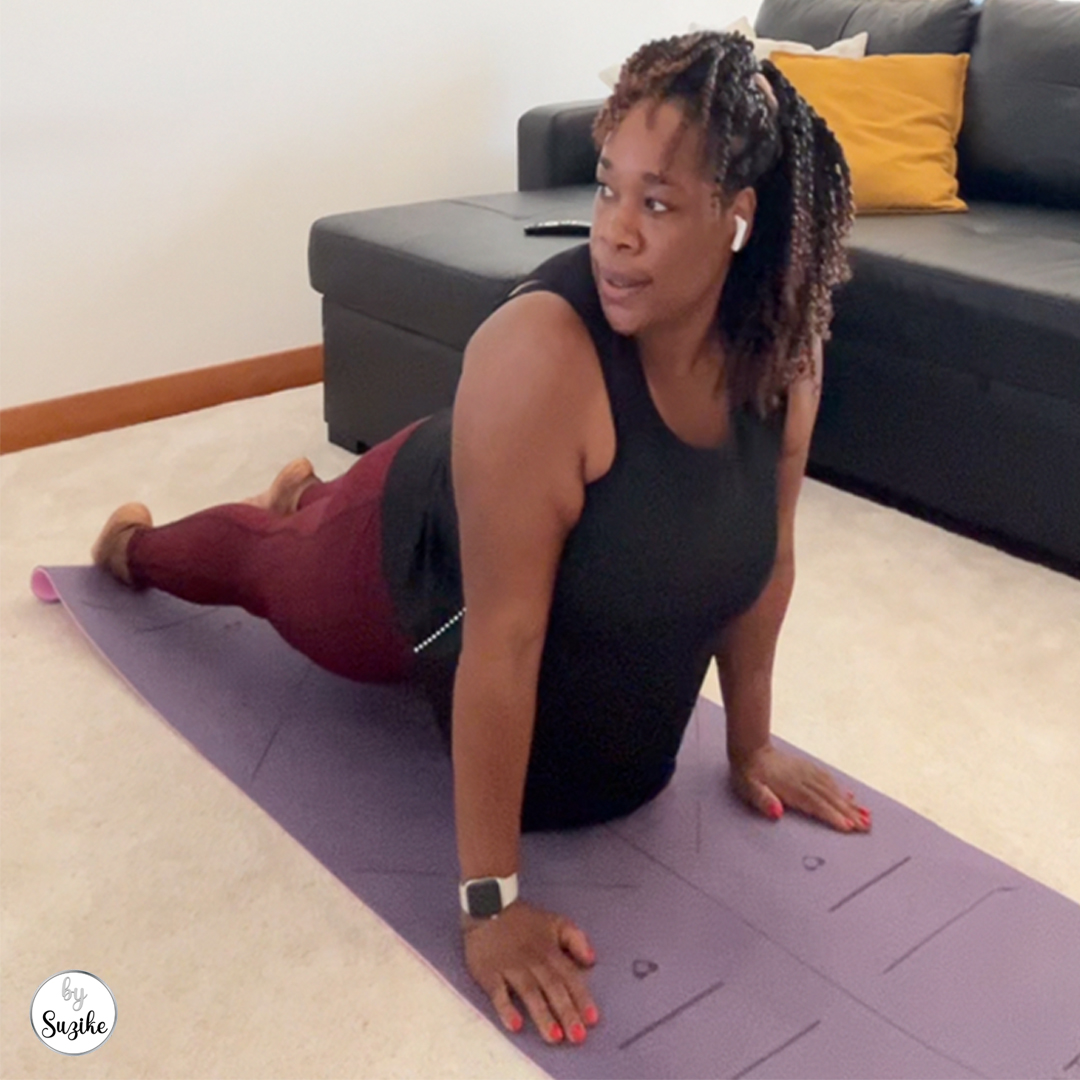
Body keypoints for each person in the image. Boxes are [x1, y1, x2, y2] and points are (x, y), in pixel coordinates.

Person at [92, 30, 869, 1048]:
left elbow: (763, 556)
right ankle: (137, 548)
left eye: (659, 201)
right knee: (266, 572)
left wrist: (751, 743)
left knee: (337, 529)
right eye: (607, 189)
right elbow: (503, 640)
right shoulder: (541, 355)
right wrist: (492, 906)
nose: (615, 233)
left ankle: (304, 494)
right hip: (412, 539)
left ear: (739, 220)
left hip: (511, 480)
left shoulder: (781, 348)